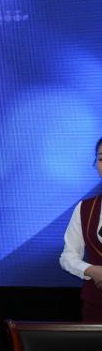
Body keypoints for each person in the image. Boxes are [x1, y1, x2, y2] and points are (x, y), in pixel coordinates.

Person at [60, 137, 102, 322]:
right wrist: (90, 270)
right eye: (101, 158)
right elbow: (67, 257)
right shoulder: (85, 208)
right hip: (96, 308)